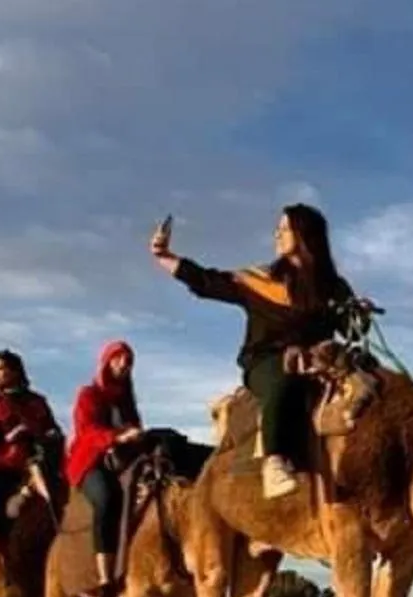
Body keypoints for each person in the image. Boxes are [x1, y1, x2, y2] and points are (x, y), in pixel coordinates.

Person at [152, 202, 357, 498]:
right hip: (265, 361)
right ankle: (274, 462)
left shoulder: (334, 288)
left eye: (284, 229)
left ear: (305, 235)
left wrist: (358, 314)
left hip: (319, 362)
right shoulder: (261, 280)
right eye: (279, 228)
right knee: (284, 379)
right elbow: (208, 282)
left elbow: (351, 331)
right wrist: (165, 256)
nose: (277, 234)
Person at [0, 349, 63, 586]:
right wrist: (8, 436)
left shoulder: (37, 402)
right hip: (3, 463)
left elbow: (53, 429)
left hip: (36, 459)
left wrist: (40, 433)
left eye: (0, 369)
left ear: (15, 371)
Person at [64, 340, 144, 597]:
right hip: (90, 461)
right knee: (107, 498)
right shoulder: (88, 394)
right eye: (118, 359)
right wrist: (117, 437)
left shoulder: (127, 402)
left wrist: (137, 437)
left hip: (122, 458)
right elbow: (86, 431)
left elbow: (134, 428)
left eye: (128, 361)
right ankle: (104, 577)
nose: (124, 364)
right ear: (106, 363)